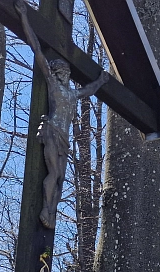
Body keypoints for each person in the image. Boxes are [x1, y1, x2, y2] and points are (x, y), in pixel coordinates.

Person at [14, 0, 109, 229]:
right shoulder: (53, 86)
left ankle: (52, 211)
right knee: (53, 172)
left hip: (64, 138)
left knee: (60, 179)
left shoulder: (72, 93)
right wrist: (24, 16)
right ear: (57, 72)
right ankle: (46, 208)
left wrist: (101, 80)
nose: (66, 74)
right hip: (52, 131)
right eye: (63, 71)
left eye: (68, 72)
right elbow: (37, 49)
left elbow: (89, 90)